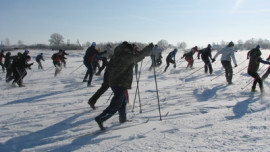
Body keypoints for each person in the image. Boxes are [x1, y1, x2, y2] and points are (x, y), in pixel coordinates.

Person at [94, 41, 154, 130]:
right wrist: (148, 48)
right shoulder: (126, 56)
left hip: (115, 81)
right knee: (117, 103)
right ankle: (101, 118)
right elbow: (139, 56)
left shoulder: (118, 54)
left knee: (123, 101)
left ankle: (123, 119)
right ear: (128, 49)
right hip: (119, 82)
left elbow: (136, 55)